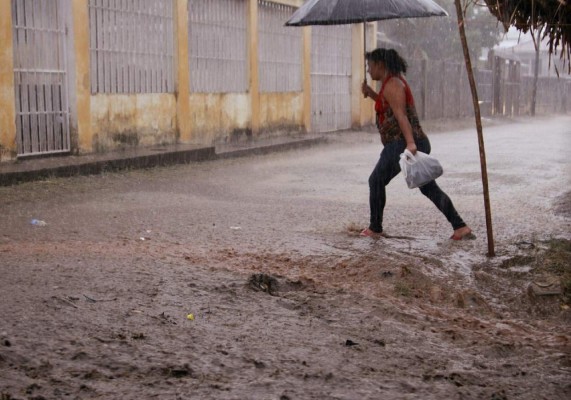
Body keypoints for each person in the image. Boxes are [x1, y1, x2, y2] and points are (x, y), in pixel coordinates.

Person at [360, 48, 474, 240]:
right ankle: (460, 226)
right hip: (405, 142)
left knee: (376, 180)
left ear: (380, 65)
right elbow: (388, 106)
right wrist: (371, 94)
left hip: (402, 143)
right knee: (428, 188)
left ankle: (375, 228)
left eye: (370, 66)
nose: (368, 70)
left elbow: (401, 115)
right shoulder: (391, 83)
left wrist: (410, 143)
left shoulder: (393, 84)